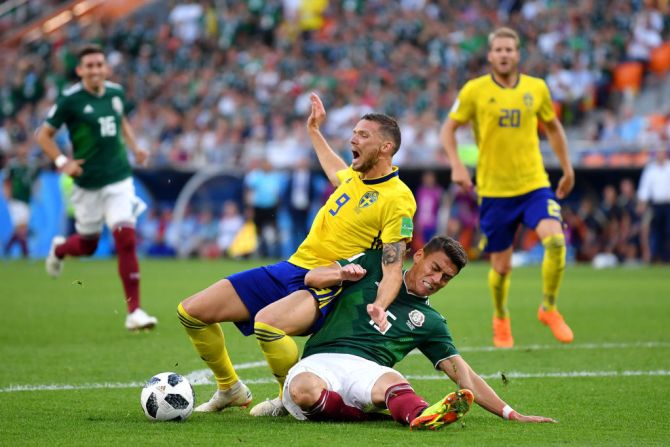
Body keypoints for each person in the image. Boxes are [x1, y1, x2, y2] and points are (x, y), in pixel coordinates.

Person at [177, 92, 416, 416]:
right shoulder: (354, 179)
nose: (352, 138)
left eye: (363, 135)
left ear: (386, 147)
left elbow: (392, 267)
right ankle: (230, 388)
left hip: (329, 283)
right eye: (353, 132)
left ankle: (286, 398)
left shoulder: (398, 199)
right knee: (191, 311)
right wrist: (314, 131)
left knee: (268, 326)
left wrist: (380, 306)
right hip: (292, 268)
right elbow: (336, 170)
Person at [282, 236, 555, 429]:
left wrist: (510, 413)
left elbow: (463, 373)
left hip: (368, 372)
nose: (437, 280)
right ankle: (361, 415)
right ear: (419, 255)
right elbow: (312, 277)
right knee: (304, 390)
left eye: (446, 278)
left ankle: (423, 414)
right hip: (320, 360)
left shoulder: (430, 321)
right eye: (435, 269)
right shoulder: (375, 262)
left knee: (392, 381)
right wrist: (342, 274)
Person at [440, 27, 575, 348]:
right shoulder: (474, 90)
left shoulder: (536, 89)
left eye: (509, 50)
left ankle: (549, 308)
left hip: (534, 185)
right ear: (490, 55)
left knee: (555, 241)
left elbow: (554, 128)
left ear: (518, 54)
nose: (503, 54)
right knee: (501, 266)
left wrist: (567, 169)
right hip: (494, 192)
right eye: (498, 49)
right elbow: (448, 129)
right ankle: (501, 317)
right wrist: (457, 165)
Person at [35, 44, 157, 331]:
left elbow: (121, 120)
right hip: (87, 184)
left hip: (118, 178)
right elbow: (44, 135)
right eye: (89, 65)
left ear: (106, 68)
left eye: (99, 64)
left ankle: (135, 311)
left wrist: (136, 147)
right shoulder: (70, 100)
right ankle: (60, 249)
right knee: (87, 244)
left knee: (125, 238)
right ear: (80, 70)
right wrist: (63, 161)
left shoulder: (115, 93)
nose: (95, 70)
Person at [3, 139, 40, 258]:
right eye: (21, 148)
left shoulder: (32, 165)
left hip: (26, 199)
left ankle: (7, 247)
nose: (23, 150)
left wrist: (36, 192)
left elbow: (36, 180)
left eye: (25, 148)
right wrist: (7, 194)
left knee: (20, 228)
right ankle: (26, 252)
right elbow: (6, 181)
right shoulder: (13, 165)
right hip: (16, 199)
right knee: (22, 227)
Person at [637, 150, 670, 263]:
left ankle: (667, 257)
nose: (660, 155)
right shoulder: (651, 170)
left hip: (668, 204)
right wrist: (642, 203)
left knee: (668, 231)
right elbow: (644, 189)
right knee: (655, 231)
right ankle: (656, 256)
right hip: (656, 205)